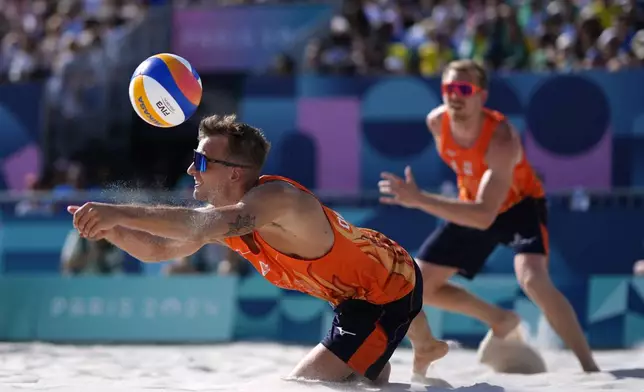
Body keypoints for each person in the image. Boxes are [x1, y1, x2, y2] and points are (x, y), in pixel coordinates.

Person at [66, 114, 448, 384]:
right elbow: (158, 251)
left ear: (234, 172)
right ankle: (425, 345)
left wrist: (116, 210)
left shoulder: (277, 200)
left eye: (200, 161)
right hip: (359, 284)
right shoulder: (227, 217)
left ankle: (422, 344)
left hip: (382, 291)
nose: (190, 170)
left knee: (306, 383)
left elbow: (197, 225)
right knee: (362, 376)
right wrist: (108, 228)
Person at [377, 59, 599, 373]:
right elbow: (476, 199)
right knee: (420, 286)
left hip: (519, 205)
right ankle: (501, 320)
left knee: (533, 280)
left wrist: (419, 199)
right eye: (449, 88)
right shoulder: (437, 123)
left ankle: (589, 367)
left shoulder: (501, 139)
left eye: (464, 89)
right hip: (474, 203)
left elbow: (484, 216)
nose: (455, 95)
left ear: (481, 96)